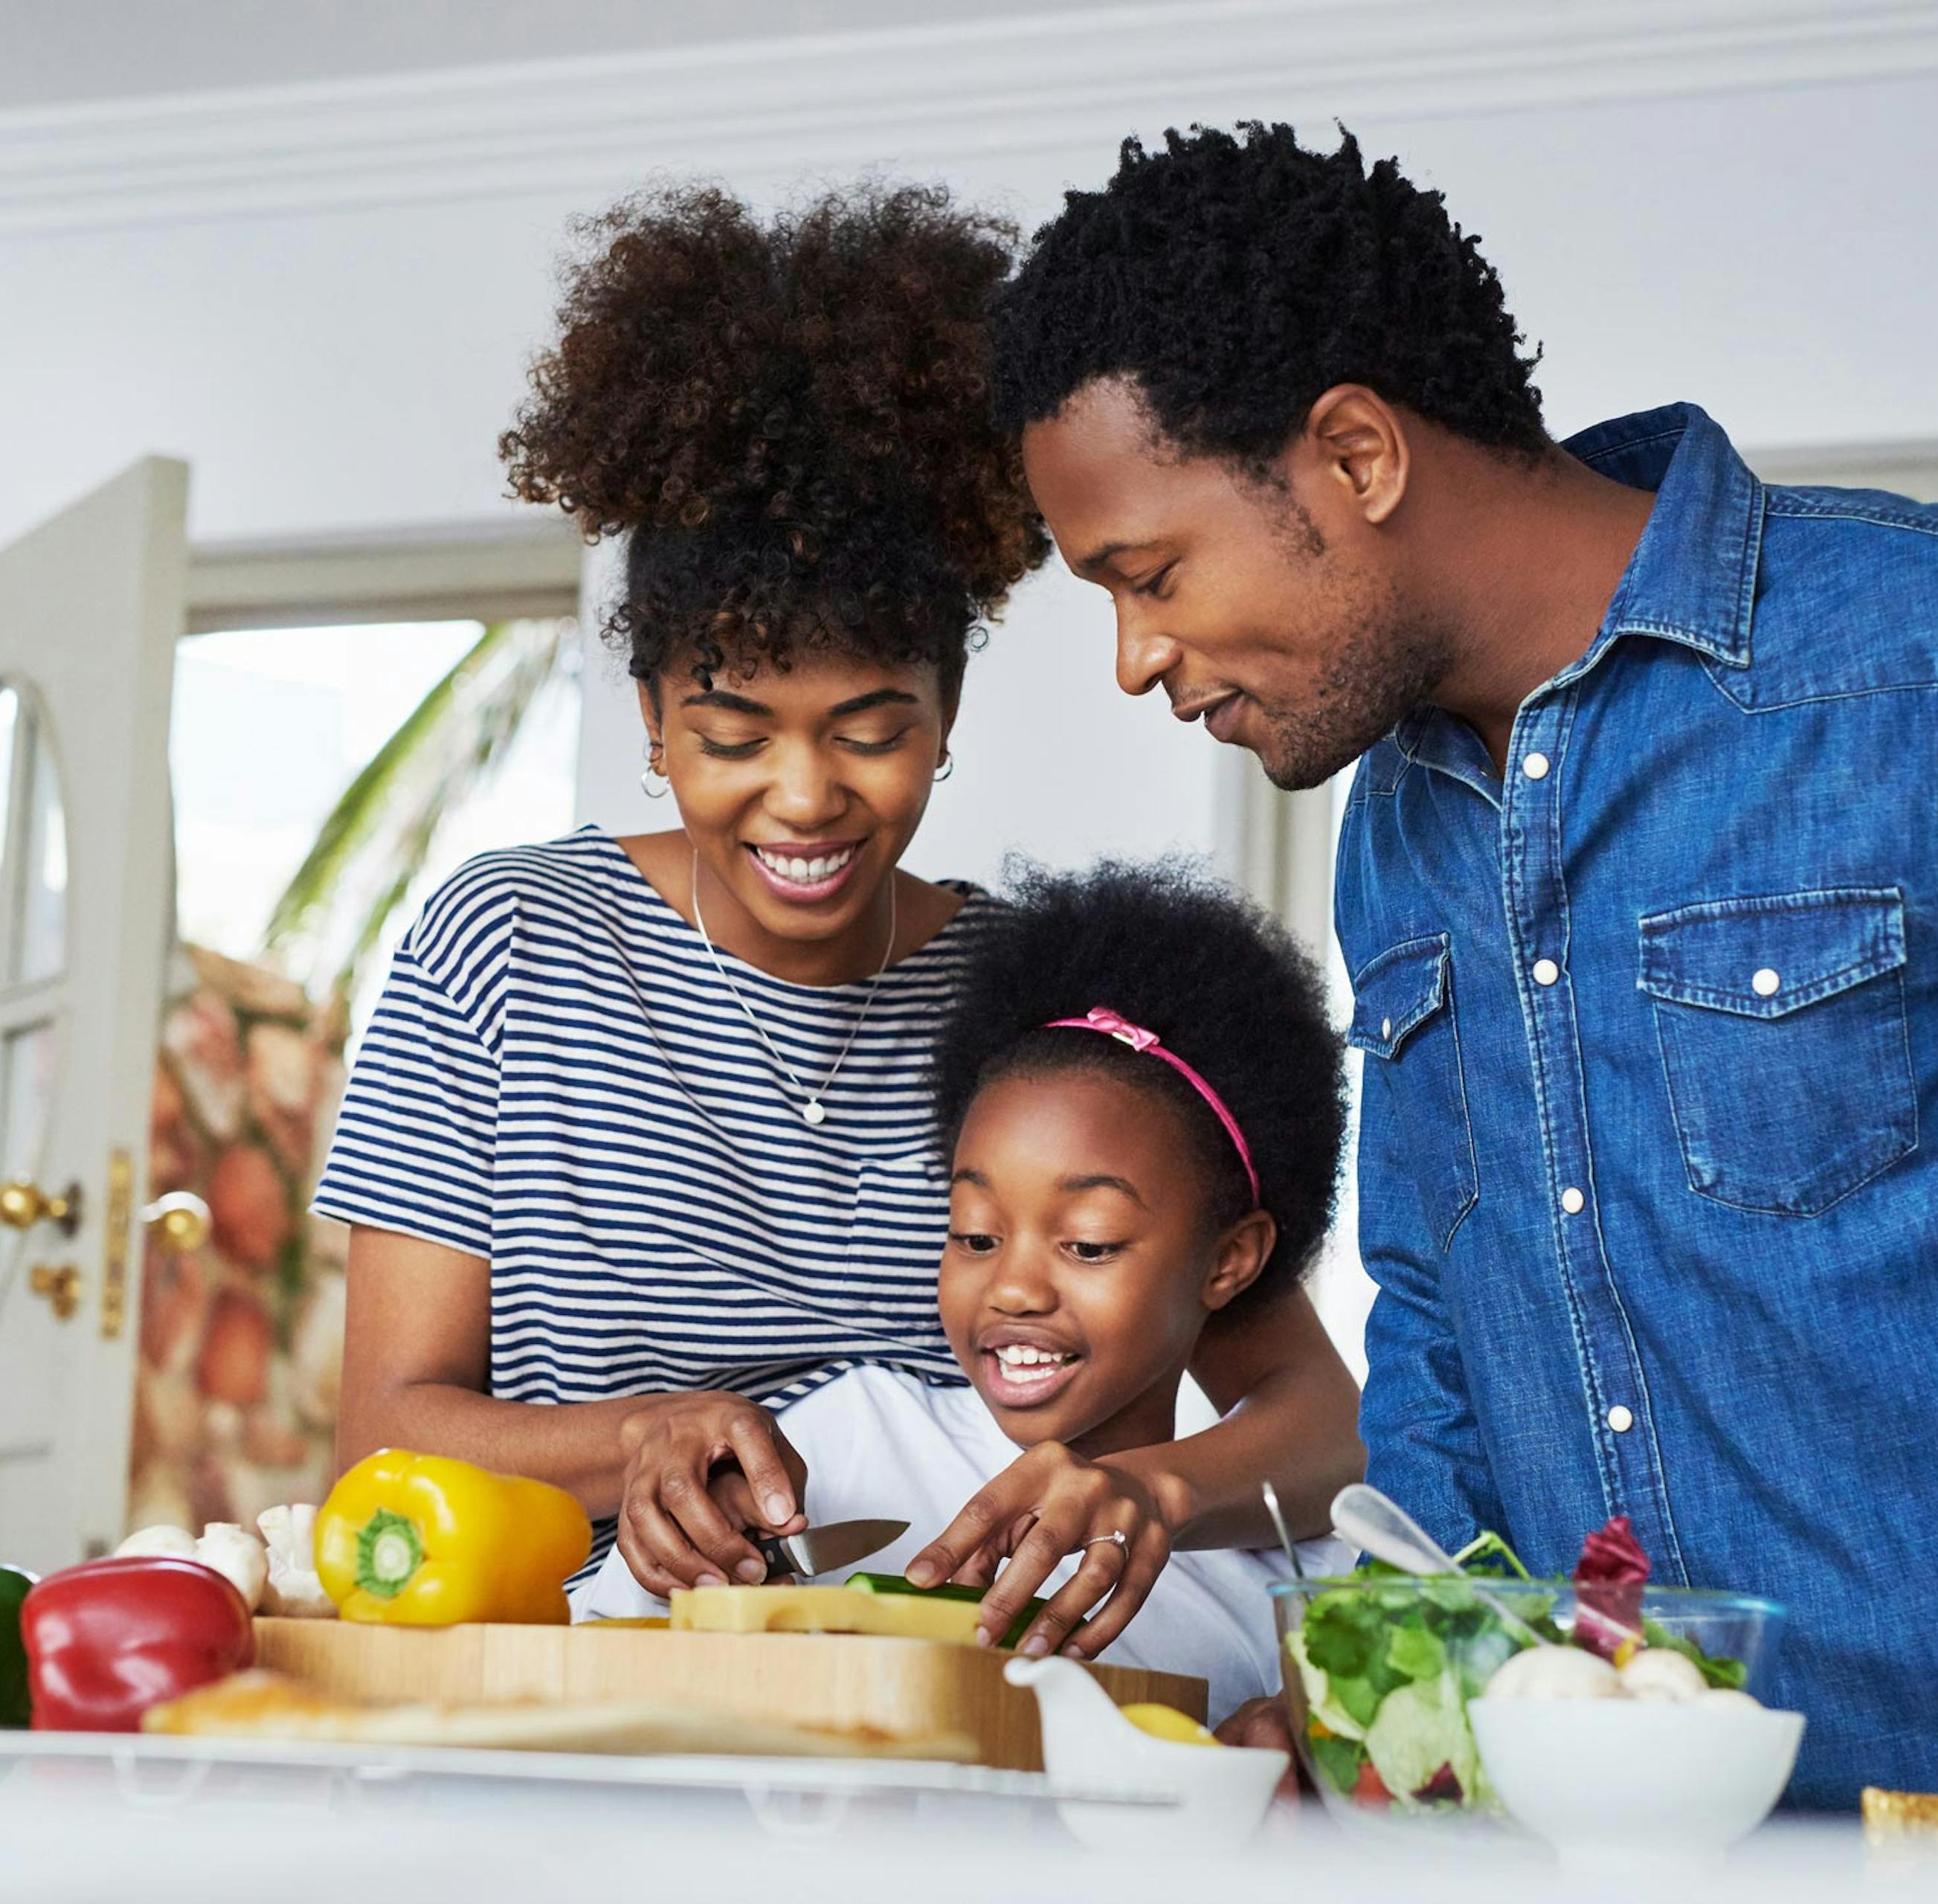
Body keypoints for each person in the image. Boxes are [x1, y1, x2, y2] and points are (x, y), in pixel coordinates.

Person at [982, 124, 1938, 1814]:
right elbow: (1440, 1332)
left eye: (1147, 575)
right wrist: (1403, 1711)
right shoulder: (1399, 823)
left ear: (1353, 452)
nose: (1136, 657)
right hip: (1639, 1833)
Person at [315, 181, 1363, 1661]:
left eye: (870, 729)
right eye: (732, 733)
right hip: (585, 1663)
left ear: (944, 718)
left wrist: (1147, 1487)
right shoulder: (507, 945)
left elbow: (1321, 1424)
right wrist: (643, 1442)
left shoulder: (1034, 1000)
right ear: (651, 721)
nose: (803, 799)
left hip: (946, 1669)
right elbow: (384, 1439)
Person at [579, 861, 1349, 1717]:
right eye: (975, 1234)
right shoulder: (846, 1444)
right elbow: (608, 1666)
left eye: (1088, 1244)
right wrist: (682, 1551)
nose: (1014, 1287)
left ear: (1229, 1261)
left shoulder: (1289, 1562)